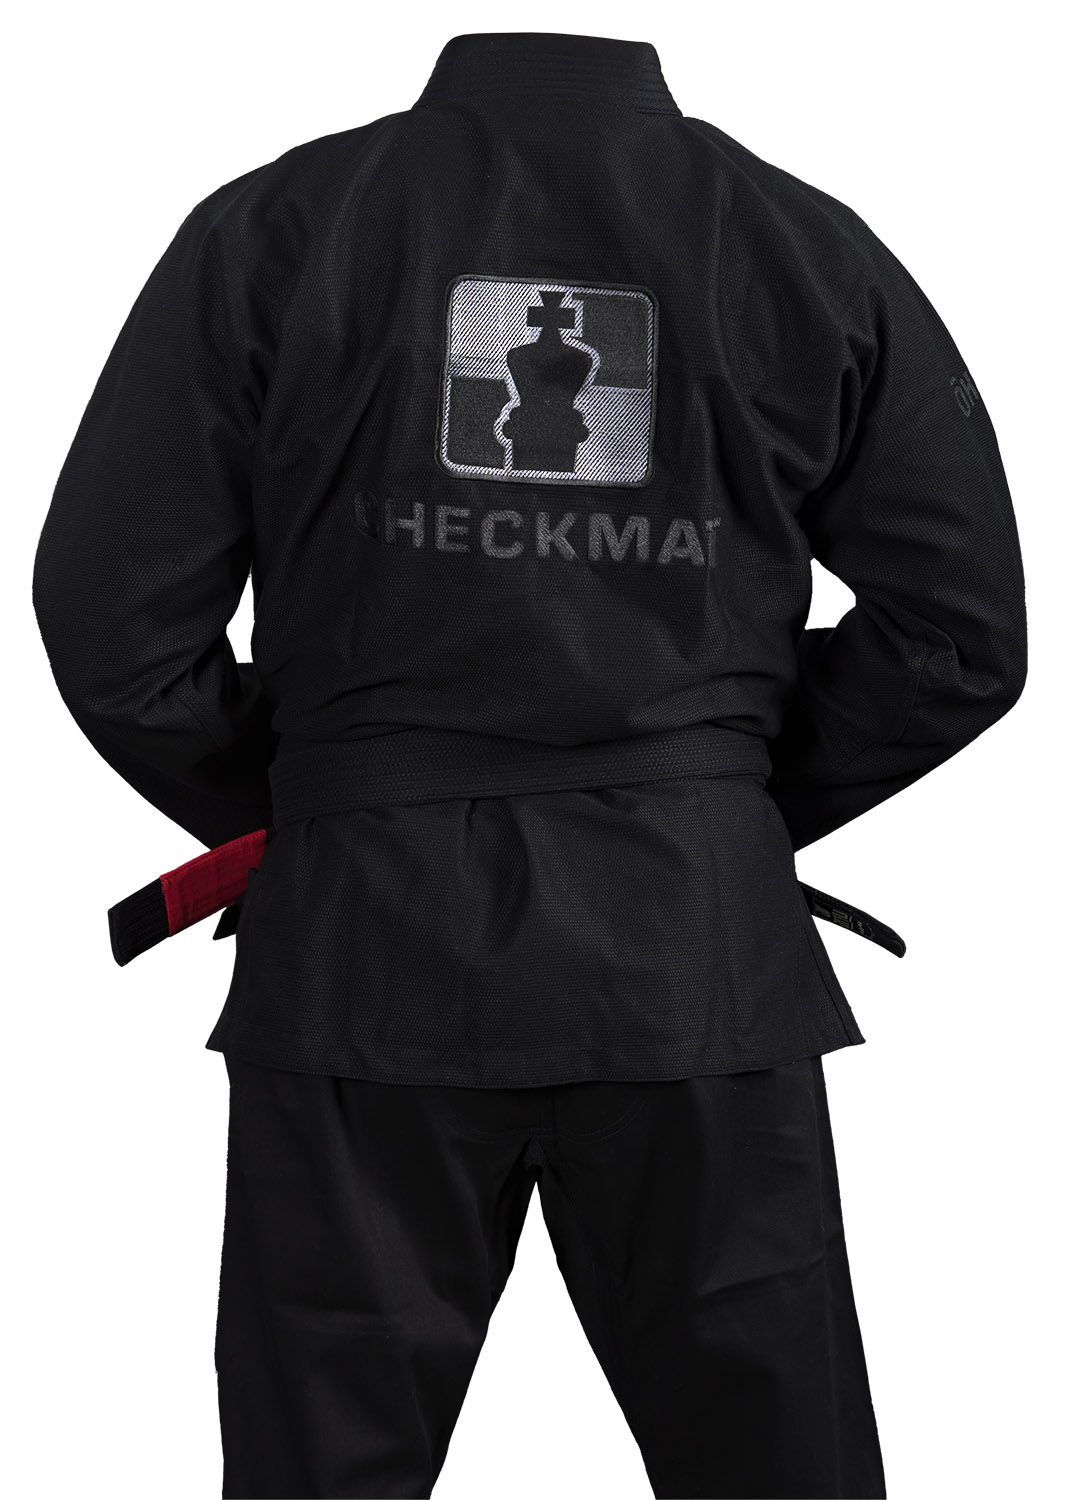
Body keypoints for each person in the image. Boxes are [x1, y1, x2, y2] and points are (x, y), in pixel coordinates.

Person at [33, 31, 1026, 1500]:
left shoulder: (277, 233)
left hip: (365, 956)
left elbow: (112, 623)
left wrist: (335, 808)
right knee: (777, 1469)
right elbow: (960, 635)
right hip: (692, 960)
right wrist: (715, 811)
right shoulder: (797, 247)